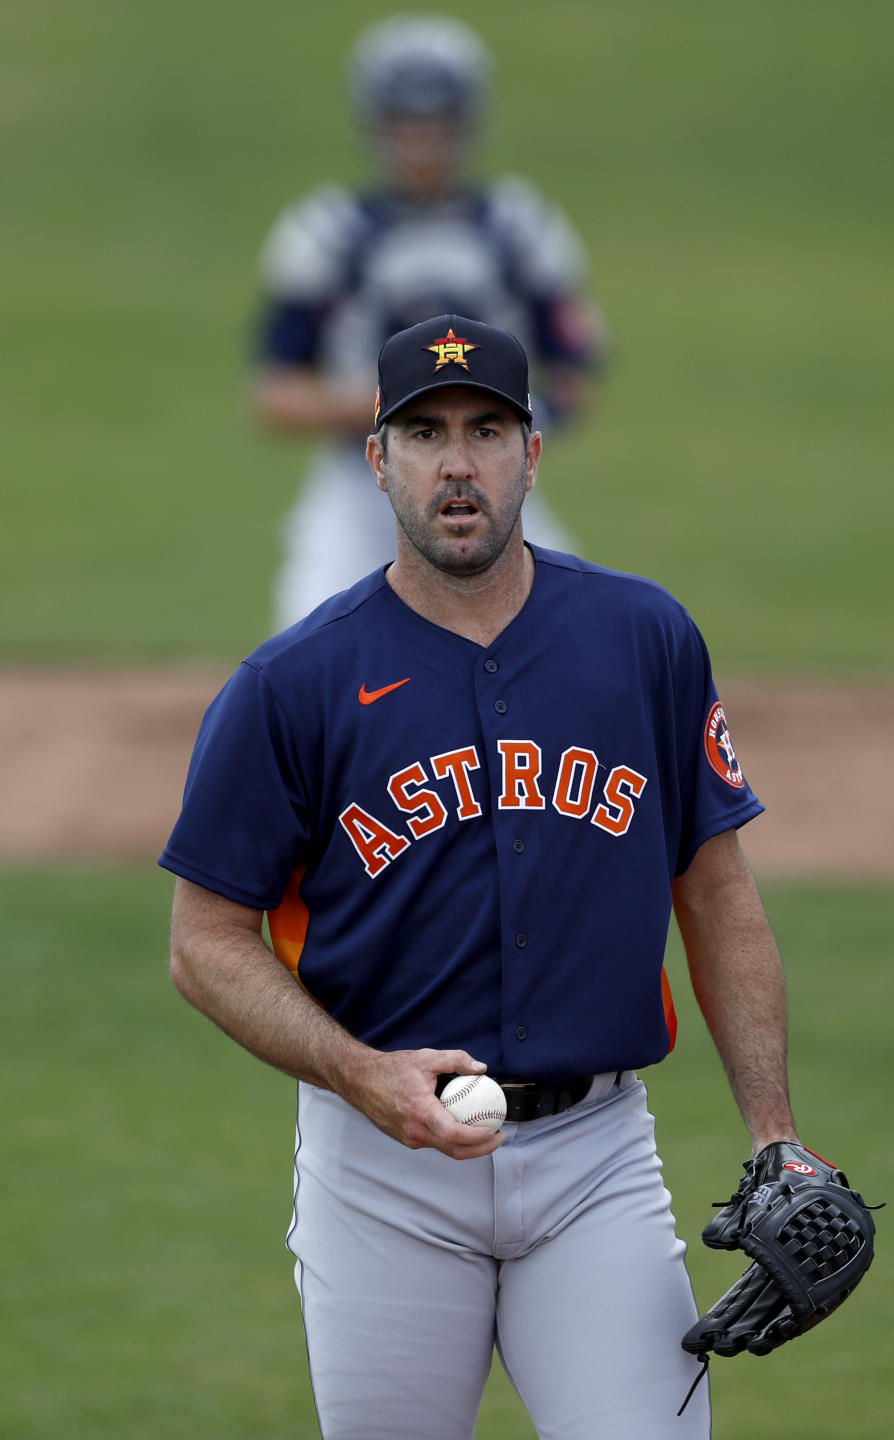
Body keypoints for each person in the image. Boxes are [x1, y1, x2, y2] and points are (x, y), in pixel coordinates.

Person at [161, 313, 797, 1440]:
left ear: (532, 454)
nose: (458, 463)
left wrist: (773, 1133)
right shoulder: (292, 684)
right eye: (426, 432)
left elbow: (718, 893)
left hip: (596, 1160)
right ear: (378, 459)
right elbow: (204, 942)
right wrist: (359, 1073)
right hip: (381, 1178)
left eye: (488, 430)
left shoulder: (643, 638)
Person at [252, 14, 603, 628]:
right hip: (359, 481)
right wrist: (415, 410)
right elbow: (276, 397)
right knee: (308, 653)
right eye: (407, 121)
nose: (424, 139)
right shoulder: (328, 234)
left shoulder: (520, 229)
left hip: (498, 480)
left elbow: (576, 377)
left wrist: (503, 419)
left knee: (572, 636)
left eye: (438, 120)